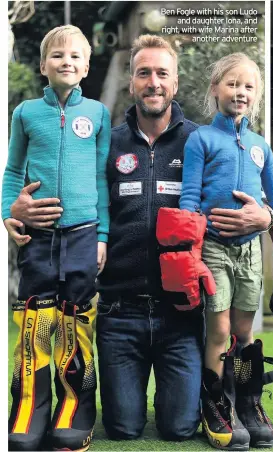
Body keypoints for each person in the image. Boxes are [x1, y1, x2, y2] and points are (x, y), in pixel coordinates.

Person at [8, 35, 272, 442]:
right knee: (123, 428)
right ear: (131, 83)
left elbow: (256, 187)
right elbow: (57, 180)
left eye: (162, 74)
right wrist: (15, 208)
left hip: (180, 316)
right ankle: (55, 402)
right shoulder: (106, 141)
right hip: (120, 313)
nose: (153, 83)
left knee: (180, 425)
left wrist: (267, 214)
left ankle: (240, 399)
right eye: (143, 73)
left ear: (176, 83)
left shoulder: (201, 141)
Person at [165, 53, 273, 450]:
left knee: (243, 332)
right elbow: (188, 196)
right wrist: (187, 251)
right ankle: (216, 402)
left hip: (250, 253)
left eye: (249, 86)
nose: (240, 92)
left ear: (256, 96)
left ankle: (248, 403)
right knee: (218, 329)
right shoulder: (201, 139)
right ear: (215, 89)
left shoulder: (261, 147)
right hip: (214, 249)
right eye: (232, 84)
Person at [3, 25, 110, 452]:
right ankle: (28, 409)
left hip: (84, 236)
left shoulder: (98, 114)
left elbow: (103, 178)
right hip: (38, 238)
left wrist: (102, 234)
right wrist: (8, 212)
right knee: (36, 322)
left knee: (75, 320)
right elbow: (12, 172)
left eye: (74, 56)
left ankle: (75, 409)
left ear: (86, 66)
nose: (66, 61)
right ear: (42, 64)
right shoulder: (26, 112)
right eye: (57, 55)